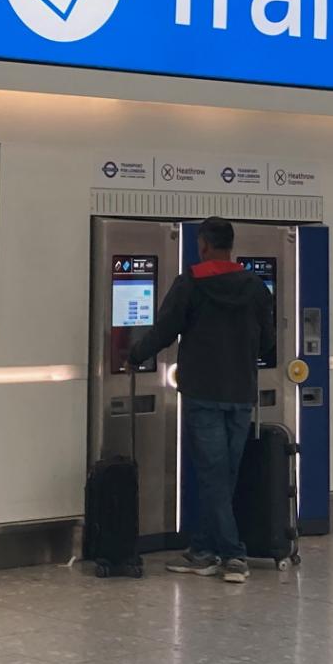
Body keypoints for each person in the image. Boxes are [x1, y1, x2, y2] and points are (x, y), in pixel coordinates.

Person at [128, 216, 276, 583]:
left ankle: (233, 555)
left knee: (213, 476)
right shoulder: (255, 287)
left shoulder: (191, 283)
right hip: (241, 392)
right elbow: (268, 342)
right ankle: (203, 551)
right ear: (231, 246)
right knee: (223, 476)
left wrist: (135, 355)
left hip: (204, 392)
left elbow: (165, 329)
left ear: (204, 245)